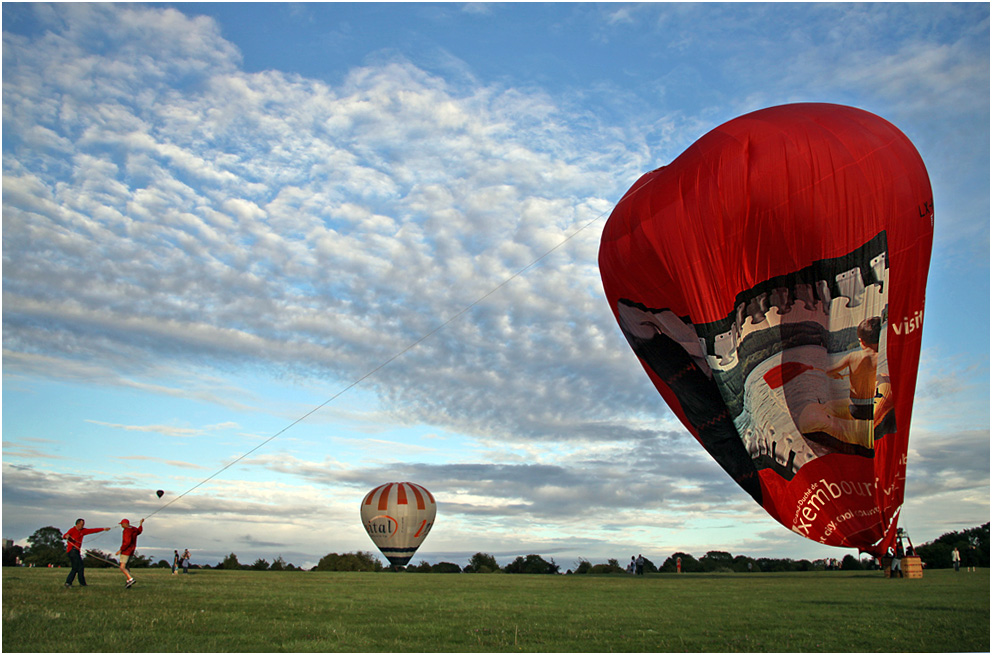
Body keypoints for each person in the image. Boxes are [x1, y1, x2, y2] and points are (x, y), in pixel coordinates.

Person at [62, 518, 112, 588]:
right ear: (77, 524)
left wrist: (103, 529)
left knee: (80, 567)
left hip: (76, 551)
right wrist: (67, 536)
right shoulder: (72, 530)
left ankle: (82, 584)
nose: (82, 526)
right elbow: (65, 536)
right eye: (81, 524)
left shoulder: (83, 531)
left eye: (83, 524)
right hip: (72, 551)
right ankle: (68, 583)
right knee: (76, 567)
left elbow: (92, 530)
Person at [115, 518, 144, 588]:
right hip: (131, 551)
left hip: (126, 551)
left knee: (122, 567)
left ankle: (130, 579)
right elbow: (139, 531)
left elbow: (127, 542)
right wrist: (141, 524)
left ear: (125, 524)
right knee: (127, 567)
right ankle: (128, 582)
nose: (121, 526)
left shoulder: (126, 530)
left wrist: (121, 550)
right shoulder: (133, 529)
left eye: (122, 524)